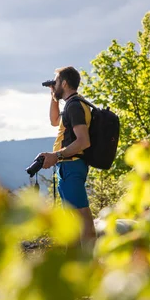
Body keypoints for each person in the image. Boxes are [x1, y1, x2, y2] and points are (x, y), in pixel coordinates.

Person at [37, 66, 97, 248]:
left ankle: (90, 260)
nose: (54, 85)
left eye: (56, 82)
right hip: (66, 166)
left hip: (72, 165)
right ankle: (77, 259)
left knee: (81, 214)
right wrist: (53, 95)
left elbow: (83, 141)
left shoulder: (76, 107)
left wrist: (56, 155)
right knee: (72, 217)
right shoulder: (72, 105)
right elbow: (54, 121)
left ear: (64, 83)